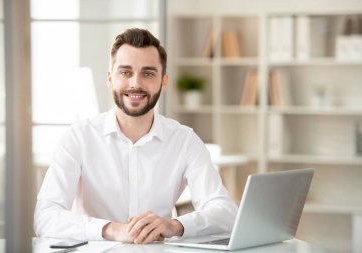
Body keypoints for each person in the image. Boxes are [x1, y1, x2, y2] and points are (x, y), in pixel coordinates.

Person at [34, 28, 238, 244]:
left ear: (164, 81)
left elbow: (226, 212)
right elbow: (45, 217)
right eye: (125, 72)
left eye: (148, 73)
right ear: (110, 78)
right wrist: (111, 230)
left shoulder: (184, 140)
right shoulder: (79, 137)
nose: (135, 83)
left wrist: (174, 226)